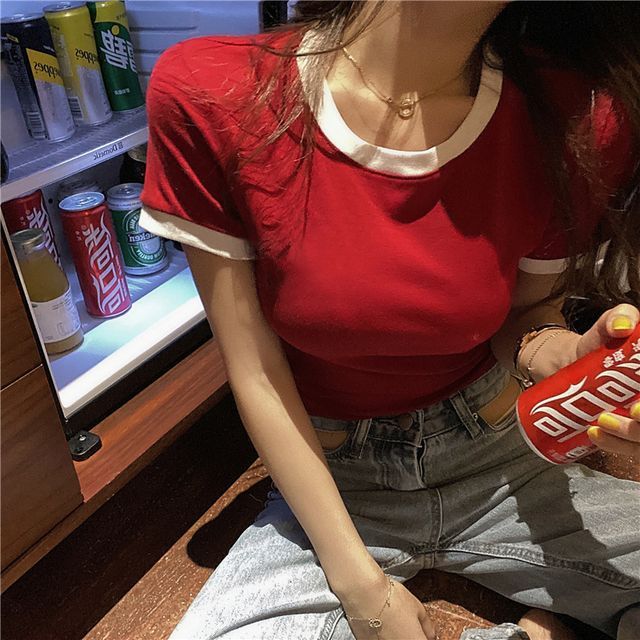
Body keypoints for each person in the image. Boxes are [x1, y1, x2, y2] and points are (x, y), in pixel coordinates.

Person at [138, 2, 640, 639]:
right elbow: (254, 368)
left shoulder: (574, 111)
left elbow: (524, 314)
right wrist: (362, 590)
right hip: (335, 479)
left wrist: (562, 358)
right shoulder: (215, 92)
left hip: (501, 455)